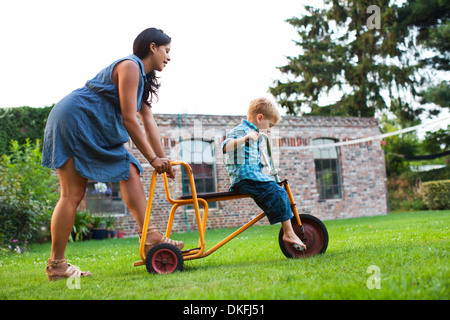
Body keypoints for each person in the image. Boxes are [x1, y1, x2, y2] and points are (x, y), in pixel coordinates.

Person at [41, 28, 183, 281]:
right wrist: (152, 159)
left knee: (128, 168)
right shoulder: (130, 66)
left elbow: (147, 120)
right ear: (153, 47)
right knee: (72, 194)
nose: (169, 57)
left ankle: (150, 236)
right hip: (76, 118)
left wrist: (164, 161)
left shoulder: (142, 77)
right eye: (167, 50)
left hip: (90, 122)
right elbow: (129, 119)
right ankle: (57, 265)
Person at [222, 97, 306, 251]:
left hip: (250, 176)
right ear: (259, 118)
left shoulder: (254, 133)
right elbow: (226, 147)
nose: (269, 130)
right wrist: (245, 138)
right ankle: (288, 232)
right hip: (244, 178)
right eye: (269, 125)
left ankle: (286, 225)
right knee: (278, 192)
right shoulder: (241, 131)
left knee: (277, 190)